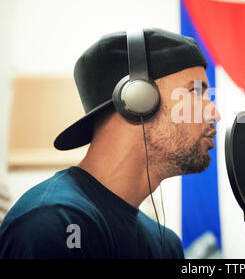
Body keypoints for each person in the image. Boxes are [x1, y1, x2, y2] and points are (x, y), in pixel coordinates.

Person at [0, 28, 221, 258]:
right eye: (196, 91)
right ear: (139, 99)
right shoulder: (55, 224)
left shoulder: (168, 246)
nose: (215, 113)